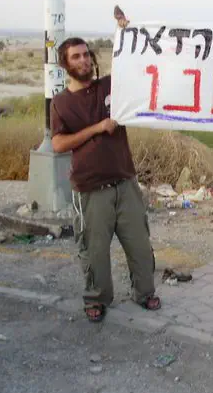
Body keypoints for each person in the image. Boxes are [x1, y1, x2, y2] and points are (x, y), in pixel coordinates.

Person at [50, 37, 160, 322]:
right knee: (94, 250)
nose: (84, 60)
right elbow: (58, 144)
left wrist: (126, 32)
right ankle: (96, 299)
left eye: (86, 54)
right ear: (65, 64)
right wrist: (97, 128)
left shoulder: (110, 86)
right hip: (91, 188)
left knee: (139, 244)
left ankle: (145, 293)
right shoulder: (61, 103)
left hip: (125, 181)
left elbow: (135, 67)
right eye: (76, 57)